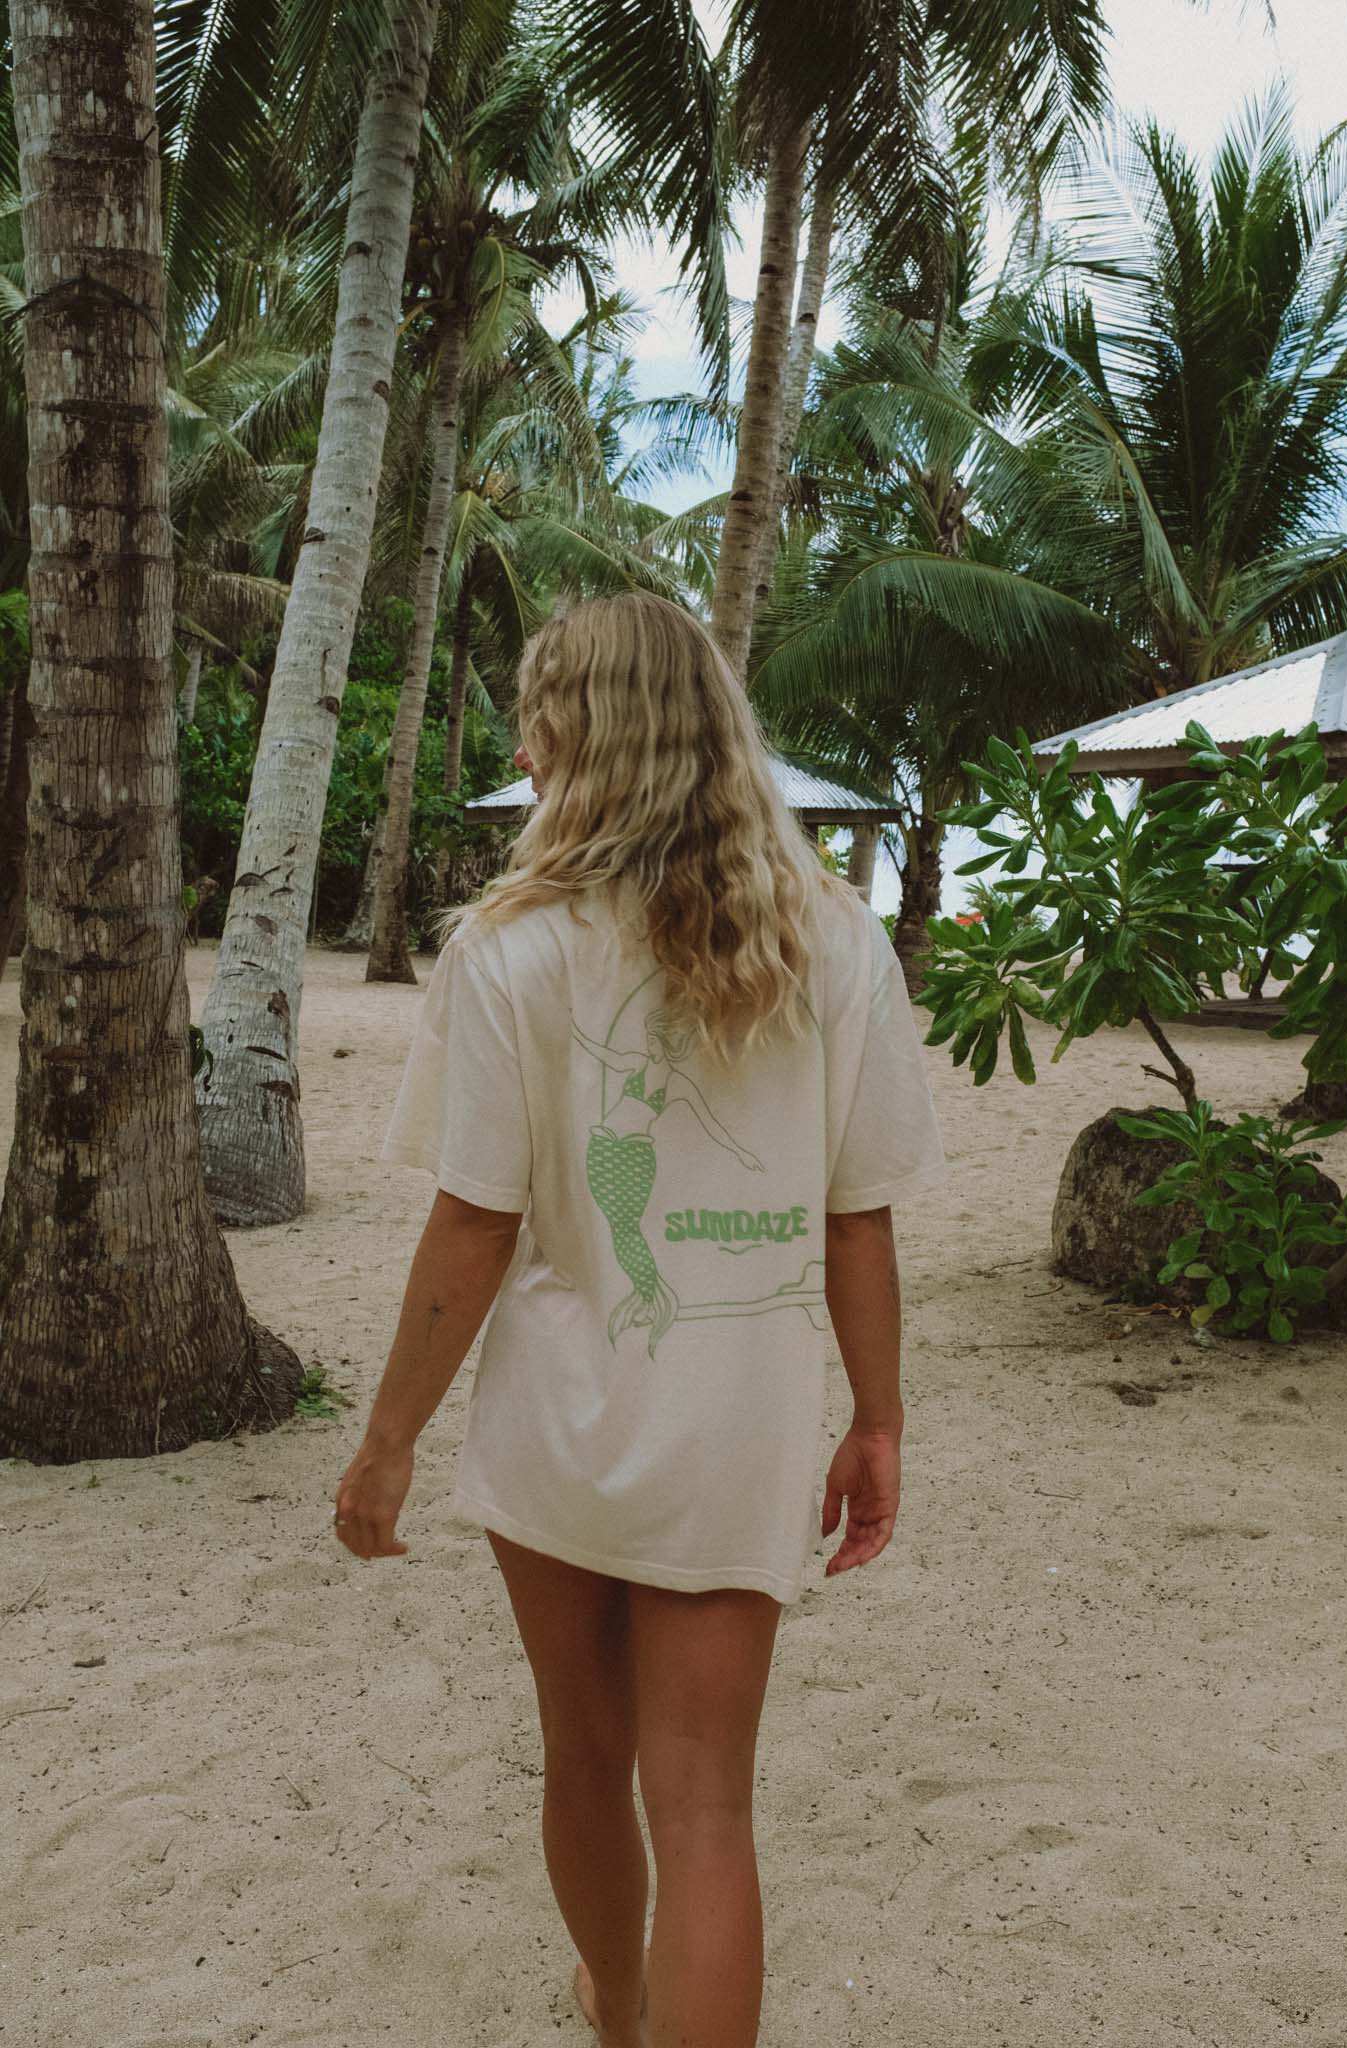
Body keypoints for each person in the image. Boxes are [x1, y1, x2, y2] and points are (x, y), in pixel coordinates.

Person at [332, 592, 946, 2048]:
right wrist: (876, 1418)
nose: (526, 750)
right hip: (734, 1421)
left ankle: (616, 2001)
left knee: (583, 1757)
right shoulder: (838, 944)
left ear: (571, 737)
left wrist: (387, 1440)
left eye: (535, 720)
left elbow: (475, 1221)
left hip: (559, 1409)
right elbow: (855, 1218)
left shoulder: (508, 949)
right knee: (707, 1806)